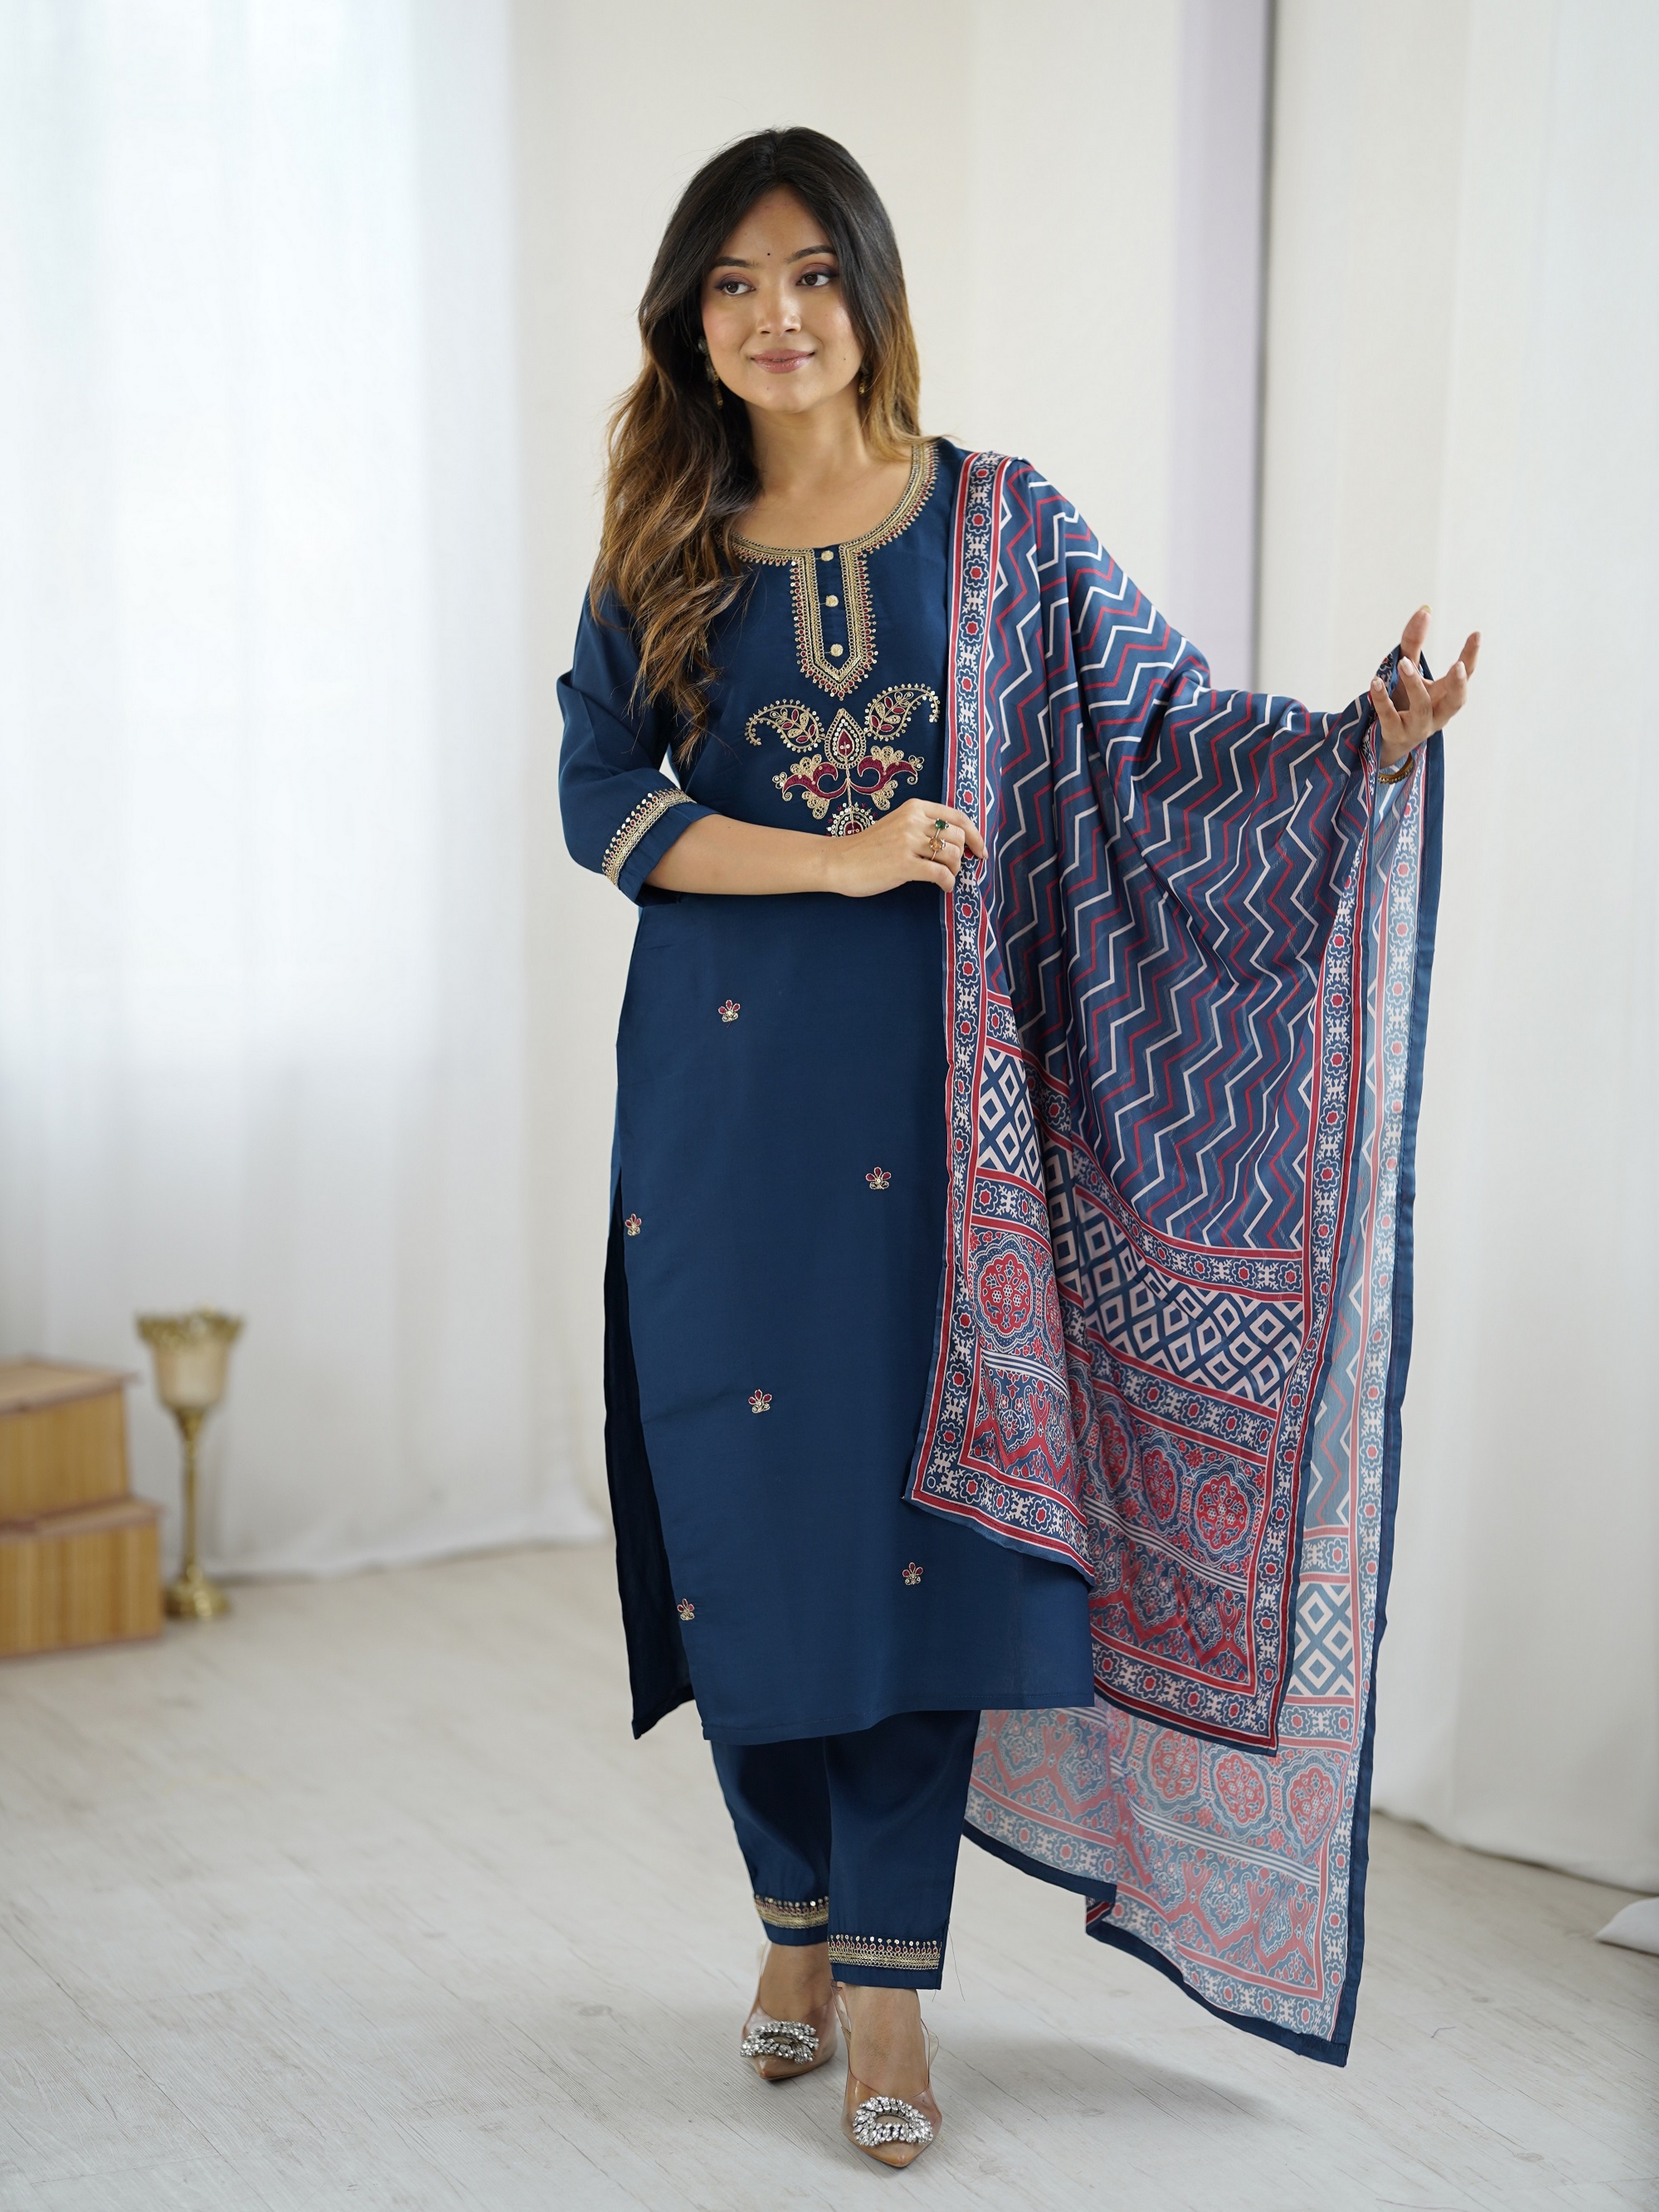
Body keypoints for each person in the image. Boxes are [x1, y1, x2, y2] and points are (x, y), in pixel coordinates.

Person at [559, 127, 1477, 2169]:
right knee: (743, 1519)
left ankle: (889, 1981)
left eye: (811, 273)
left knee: (924, 1536)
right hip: (722, 1100)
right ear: (689, 321)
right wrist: (838, 857)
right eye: (733, 284)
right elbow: (599, 799)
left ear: (870, 290)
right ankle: (793, 1922)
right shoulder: (665, 540)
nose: (777, 316)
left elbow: (1162, 737)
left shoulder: (999, 522)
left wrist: (1359, 742)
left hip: (948, 1122)